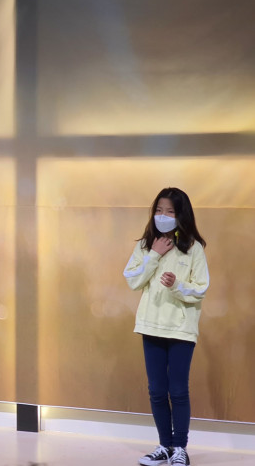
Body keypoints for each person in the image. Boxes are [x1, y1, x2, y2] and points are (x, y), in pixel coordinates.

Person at [123, 187, 210, 466]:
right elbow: (133, 279)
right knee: (157, 391)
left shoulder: (194, 248)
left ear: (181, 215)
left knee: (178, 391)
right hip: (151, 327)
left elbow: (201, 288)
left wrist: (176, 285)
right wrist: (154, 255)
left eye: (170, 211)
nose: (163, 216)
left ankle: (179, 448)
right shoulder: (145, 246)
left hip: (181, 330)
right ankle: (164, 445)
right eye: (159, 210)